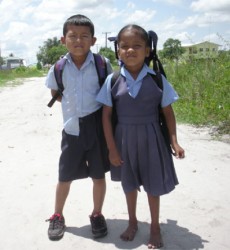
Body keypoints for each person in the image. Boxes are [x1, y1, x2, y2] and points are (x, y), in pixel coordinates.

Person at [96, 24, 185, 249]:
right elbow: (106, 116)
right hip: (123, 140)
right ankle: (133, 222)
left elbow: (168, 112)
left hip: (152, 139)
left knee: (153, 185)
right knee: (129, 183)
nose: (130, 50)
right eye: (124, 46)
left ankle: (155, 226)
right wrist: (112, 149)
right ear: (117, 51)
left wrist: (174, 141)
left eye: (137, 45)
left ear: (147, 50)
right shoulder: (113, 79)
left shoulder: (156, 79)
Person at [45, 14, 113, 240]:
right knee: (64, 175)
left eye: (84, 36)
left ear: (93, 40)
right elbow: (55, 93)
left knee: (98, 175)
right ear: (63, 39)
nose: (78, 40)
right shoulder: (58, 67)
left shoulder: (103, 65)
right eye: (72, 36)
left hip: (96, 128)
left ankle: (96, 214)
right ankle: (57, 215)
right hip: (71, 128)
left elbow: (109, 94)